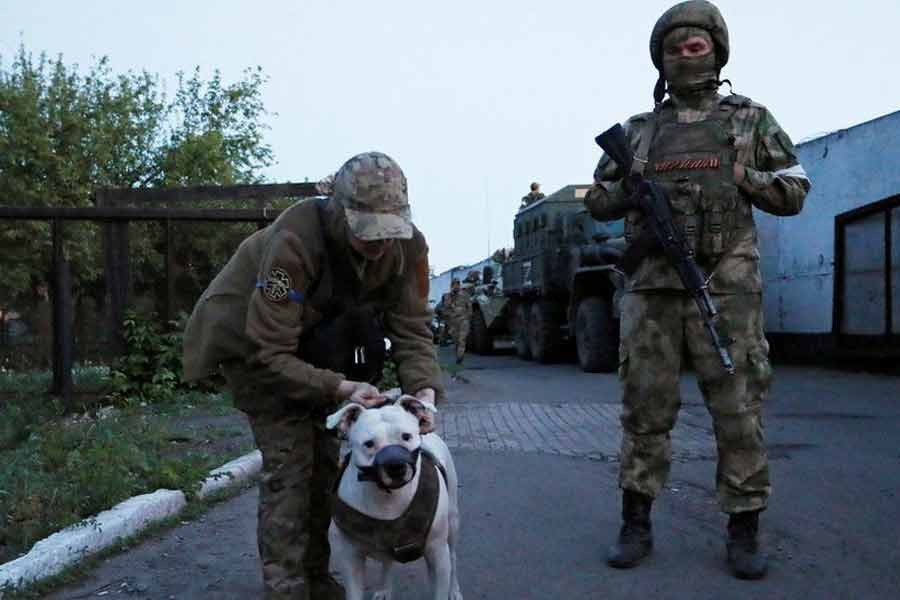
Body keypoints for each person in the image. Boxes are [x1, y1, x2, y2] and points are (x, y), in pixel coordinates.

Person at [584, 0, 810, 580]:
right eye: (674, 49)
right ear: (659, 60)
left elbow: (794, 191)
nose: (685, 56)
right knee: (645, 412)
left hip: (728, 292)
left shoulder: (750, 120)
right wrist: (631, 192)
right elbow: (598, 200)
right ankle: (636, 523)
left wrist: (744, 177)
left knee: (738, 413)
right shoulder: (638, 130)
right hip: (651, 292)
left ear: (716, 51)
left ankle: (744, 529)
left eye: (696, 46)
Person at [181, 151, 444, 600]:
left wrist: (424, 391)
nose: (381, 245)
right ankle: (286, 587)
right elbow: (269, 350)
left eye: (389, 233)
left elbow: (412, 327)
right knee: (291, 471)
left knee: (327, 468)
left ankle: (316, 577)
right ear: (340, 213)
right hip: (255, 348)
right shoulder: (295, 240)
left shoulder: (408, 246)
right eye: (369, 235)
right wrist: (340, 387)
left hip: (319, 348)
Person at [440, 278, 472, 364]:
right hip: (453, 322)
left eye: (457, 284)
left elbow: (469, 308)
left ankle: (460, 357)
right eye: (454, 284)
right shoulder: (446, 296)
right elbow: (443, 309)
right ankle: (458, 354)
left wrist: (467, 317)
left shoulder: (465, 295)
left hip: (463, 320)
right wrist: (447, 316)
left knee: (462, 339)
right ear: (451, 286)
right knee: (456, 341)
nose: (456, 286)